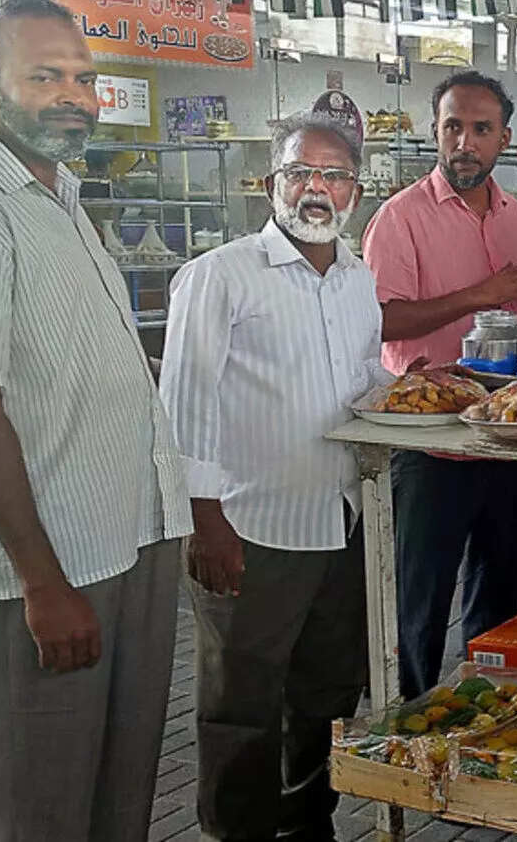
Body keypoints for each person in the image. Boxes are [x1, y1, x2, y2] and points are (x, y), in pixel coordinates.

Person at [0, 0, 190, 839]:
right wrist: (41, 580)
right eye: (45, 76)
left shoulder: (57, 194)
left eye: (82, 77)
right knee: (33, 805)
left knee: (113, 794)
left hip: (124, 538)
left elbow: (74, 356)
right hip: (47, 564)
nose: (73, 94)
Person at [160, 113, 388, 841]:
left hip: (339, 517)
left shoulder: (359, 279)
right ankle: (238, 830)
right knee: (240, 703)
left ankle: (304, 824)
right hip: (250, 528)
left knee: (326, 690)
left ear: (357, 189)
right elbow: (184, 403)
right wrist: (207, 521)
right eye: (301, 173)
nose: (317, 189)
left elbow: (360, 386)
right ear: (271, 185)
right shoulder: (219, 275)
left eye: (335, 175)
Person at [361, 71, 517, 697]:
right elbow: (382, 318)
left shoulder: (514, 218)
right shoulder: (400, 219)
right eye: (452, 127)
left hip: (503, 431)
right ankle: (410, 718)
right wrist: (482, 294)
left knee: (498, 590)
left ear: (504, 139)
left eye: (480, 129)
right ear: (434, 132)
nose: (465, 142)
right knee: (421, 596)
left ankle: (487, 708)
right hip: (430, 440)